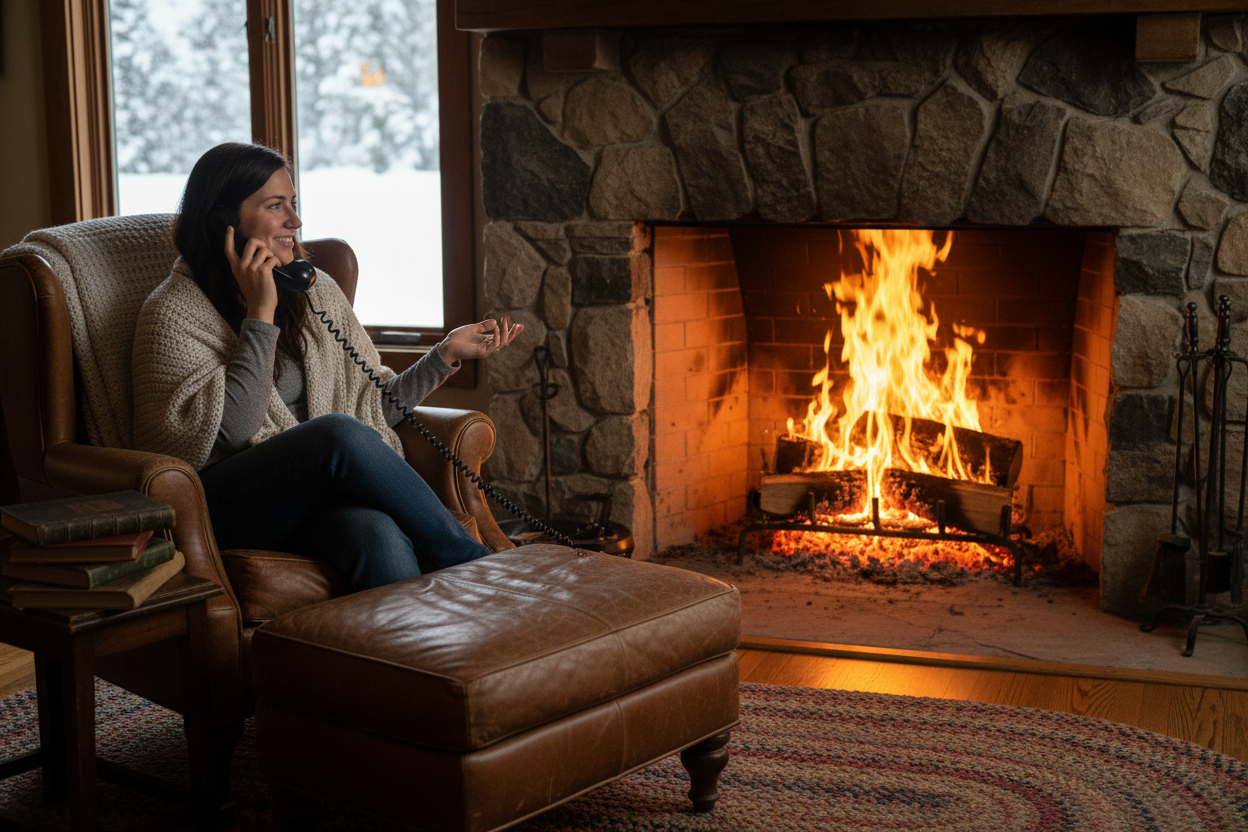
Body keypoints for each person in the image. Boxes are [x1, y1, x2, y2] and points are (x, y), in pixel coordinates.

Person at [132, 142, 522, 591]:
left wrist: (445, 356)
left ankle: (424, 659)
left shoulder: (313, 292)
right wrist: (260, 315)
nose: (294, 222)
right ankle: (475, 567)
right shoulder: (172, 314)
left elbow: (370, 407)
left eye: (293, 204)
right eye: (275, 206)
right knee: (336, 432)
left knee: (379, 538)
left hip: (313, 495)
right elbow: (234, 429)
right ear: (224, 220)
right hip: (223, 504)